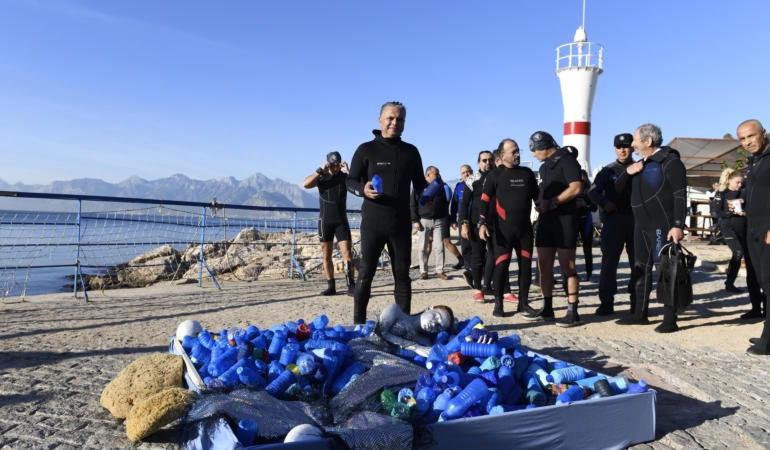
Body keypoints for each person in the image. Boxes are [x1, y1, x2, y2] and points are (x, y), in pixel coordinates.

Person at [346, 101, 427, 324]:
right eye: (390, 118)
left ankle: (403, 326)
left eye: (399, 119)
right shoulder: (366, 149)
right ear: (380, 120)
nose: (395, 122)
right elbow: (350, 180)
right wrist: (362, 190)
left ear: (404, 123)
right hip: (373, 223)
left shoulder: (411, 152)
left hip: (400, 224)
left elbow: (419, 185)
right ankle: (358, 324)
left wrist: (428, 194)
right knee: (365, 274)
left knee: (402, 276)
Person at [615, 124, 686, 333]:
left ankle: (670, 320)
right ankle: (639, 314)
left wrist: (678, 225)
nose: (632, 144)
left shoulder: (670, 161)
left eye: (635, 140)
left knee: (665, 269)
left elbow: (680, 195)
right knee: (640, 268)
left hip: (661, 225)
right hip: (641, 226)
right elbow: (618, 189)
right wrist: (627, 172)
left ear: (648, 141)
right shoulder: (639, 164)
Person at [522, 132, 583, 327]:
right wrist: (541, 202)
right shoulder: (543, 166)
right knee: (543, 265)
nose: (533, 154)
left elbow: (576, 188)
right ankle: (546, 308)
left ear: (545, 146)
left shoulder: (568, 161)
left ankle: (572, 311)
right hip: (545, 221)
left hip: (564, 220)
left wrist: (553, 203)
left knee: (568, 266)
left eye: (534, 150)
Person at [478, 139, 539, 317]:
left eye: (518, 151)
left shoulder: (527, 173)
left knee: (526, 267)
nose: (518, 154)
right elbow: (484, 200)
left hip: (525, 230)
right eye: (514, 152)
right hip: (503, 231)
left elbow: (538, 198)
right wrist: (481, 223)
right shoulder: (495, 175)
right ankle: (499, 305)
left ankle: (523, 304)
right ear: (502, 155)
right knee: (502, 266)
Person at [589, 133, 637, 316]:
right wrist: (604, 202)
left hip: (635, 221)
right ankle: (607, 302)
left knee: (637, 263)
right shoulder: (607, 171)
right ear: (615, 148)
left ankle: (636, 302)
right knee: (609, 264)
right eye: (619, 146)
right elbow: (592, 193)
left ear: (632, 147)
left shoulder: (640, 167)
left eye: (626, 146)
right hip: (613, 220)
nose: (623, 150)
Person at [736, 119, 770, 355]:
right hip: (753, 228)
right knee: (763, 282)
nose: (747, 142)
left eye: (751, 136)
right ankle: (767, 332)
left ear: (763, 133)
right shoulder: (753, 161)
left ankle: (768, 339)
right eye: (742, 138)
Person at [303, 152, 355, 296]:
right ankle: (331, 286)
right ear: (327, 163)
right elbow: (306, 184)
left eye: (337, 164)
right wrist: (320, 171)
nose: (335, 167)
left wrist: (349, 171)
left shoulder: (345, 178)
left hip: (341, 221)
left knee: (347, 254)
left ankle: (351, 286)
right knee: (326, 254)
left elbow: (360, 187)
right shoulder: (321, 177)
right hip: (324, 221)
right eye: (332, 164)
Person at [715, 168, 764, 318]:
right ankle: (730, 282)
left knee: (750, 260)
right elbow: (718, 213)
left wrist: (743, 212)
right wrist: (732, 212)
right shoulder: (721, 194)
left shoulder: (744, 193)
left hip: (744, 228)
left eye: (741, 183)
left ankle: (756, 301)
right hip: (727, 227)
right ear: (729, 180)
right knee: (738, 252)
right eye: (737, 182)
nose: (739, 185)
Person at [460, 151, 495, 303]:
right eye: (484, 160)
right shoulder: (472, 180)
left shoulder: (499, 176)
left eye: (490, 160)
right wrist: (464, 224)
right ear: (479, 163)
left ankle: (498, 288)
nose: (487, 162)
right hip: (475, 224)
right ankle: (478, 290)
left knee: (497, 256)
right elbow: (464, 204)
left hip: (496, 223)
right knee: (477, 256)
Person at [410, 166, 450, 280]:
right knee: (422, 247)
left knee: (440, 247)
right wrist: (415, 221)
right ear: (428, 175)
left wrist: (444, 216)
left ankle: (440, 270)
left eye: (438, 174)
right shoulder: (418, 187)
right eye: (435, 174)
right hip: (423, 221)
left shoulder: (440, 187)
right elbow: (412, 204)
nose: (438, 176)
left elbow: (445, 202)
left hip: (438, 220)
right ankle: (424, 271)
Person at [377, 303, 454, 356]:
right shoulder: (395, 309)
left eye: (439, 327)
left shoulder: (425, 342)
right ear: (429, 308)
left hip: (385, 363)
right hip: (369, 348)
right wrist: (415, 347)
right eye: (436, 317)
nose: (434, 324)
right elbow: (380, 332)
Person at [451, 164, 474, 286]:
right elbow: (454, 203)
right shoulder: (459, 187)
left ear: (472, 172)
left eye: (468, 171)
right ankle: (469, 268)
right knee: (465, 245)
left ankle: (482, 268)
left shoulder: (478, 185)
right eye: (463, 172)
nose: (466, 174)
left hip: (475, 218)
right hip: (463, 219)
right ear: (461, 175)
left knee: (477, 244)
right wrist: (453, 219)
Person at [576, 170, 598, 282]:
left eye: (581, 180)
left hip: (586, 221)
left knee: (587, 249)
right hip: (573, 221)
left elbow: (595, 208)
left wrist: (585, 204)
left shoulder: (589, 191)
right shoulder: (572, 190)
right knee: (570, 250)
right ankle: (573, 274)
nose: (579, 182)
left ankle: (589, 274)